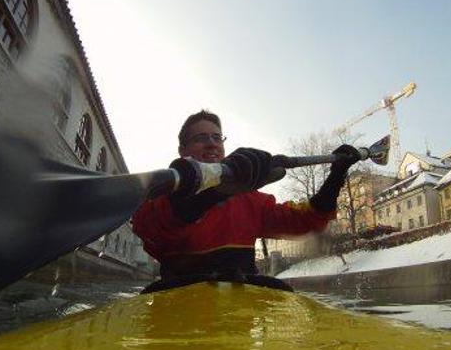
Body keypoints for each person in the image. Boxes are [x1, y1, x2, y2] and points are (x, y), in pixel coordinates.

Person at [132, 110, 360, 292]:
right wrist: (213, 193)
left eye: (217, 137)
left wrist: (336, 176)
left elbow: (307, 220)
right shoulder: (161, 196)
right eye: (201, 138)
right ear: (183, 150)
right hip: (178, 301)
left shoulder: (250, 200)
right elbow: (148, 228)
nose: (212, 143)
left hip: (238, 311)